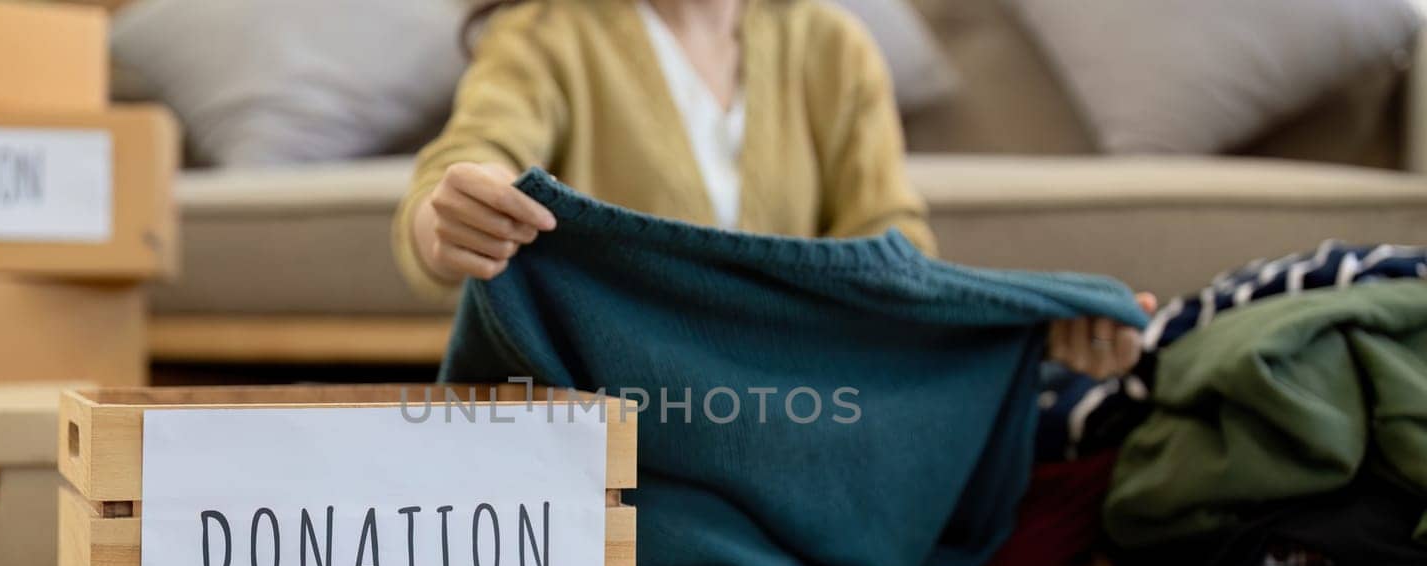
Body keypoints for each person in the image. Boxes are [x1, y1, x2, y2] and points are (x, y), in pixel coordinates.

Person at [392, 0, 1155, 378]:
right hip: (627, 406)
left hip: (791, 402)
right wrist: (451, 216)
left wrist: (1032, 328)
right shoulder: (547, 34)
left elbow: (894, 255)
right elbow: (469, 158)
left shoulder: (833, 48)